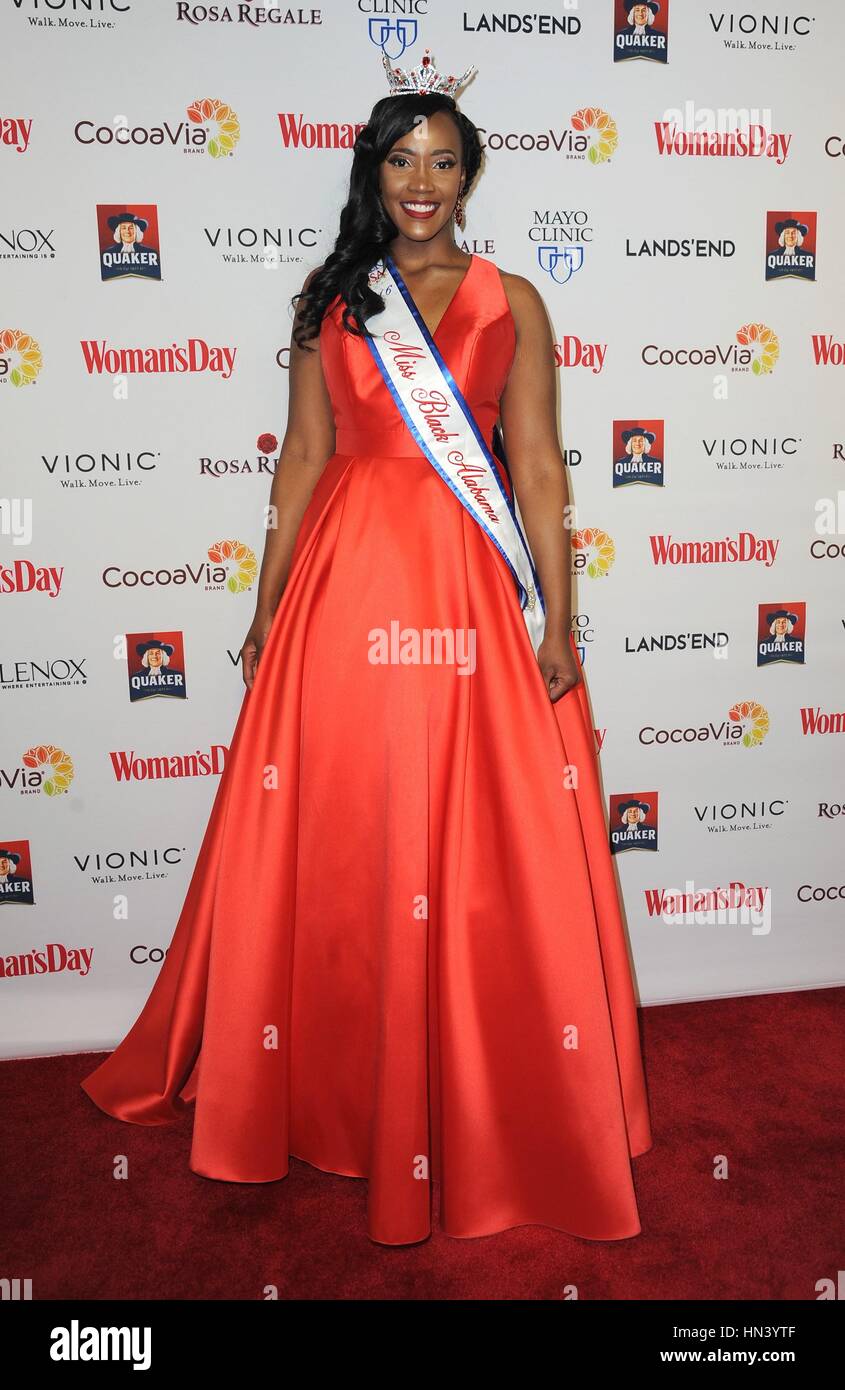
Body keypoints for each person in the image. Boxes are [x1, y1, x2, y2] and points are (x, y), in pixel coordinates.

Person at [81, 47, 652, 1246]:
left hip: (466, 586)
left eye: (444, 160)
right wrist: (262, 600)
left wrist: (562, 612)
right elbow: (300, 459)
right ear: (373, 171)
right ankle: (329, 1084)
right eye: (403, 158)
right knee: (343, 833)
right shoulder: (330, 299)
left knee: (474, 832)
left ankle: (483, 1082)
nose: (424, 179)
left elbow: (539, 466)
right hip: (343, 590)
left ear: (470, 173)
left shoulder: (510, 299)